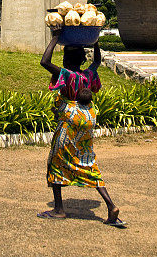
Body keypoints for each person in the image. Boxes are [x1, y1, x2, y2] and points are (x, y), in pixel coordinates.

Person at [37, 27, 126, 227]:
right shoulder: (87, 75)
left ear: (67, 60)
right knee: (87, 161)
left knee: (57, 161)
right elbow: (96, 61)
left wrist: (55, 38)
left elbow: (44, 61)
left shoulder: (67, 75)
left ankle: (59, 209)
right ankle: (110, 206)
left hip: (70, 120)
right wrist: (95, 42)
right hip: (87, 120)